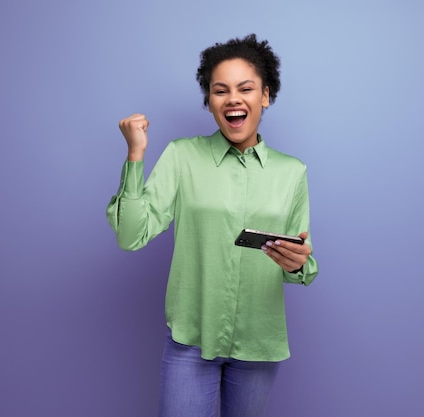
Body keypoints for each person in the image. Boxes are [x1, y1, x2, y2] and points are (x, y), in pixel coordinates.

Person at [106, 34, 319, 417]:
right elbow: (130, 235)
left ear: (265, 96)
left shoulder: (292, 172)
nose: (233, 98)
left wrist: (298, 263)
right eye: (220, 90)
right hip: (192, 343)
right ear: (210, 102)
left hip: (259, 346)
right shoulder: (181, 156)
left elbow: (301, 263)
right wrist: (135, 155)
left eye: (246, 88)